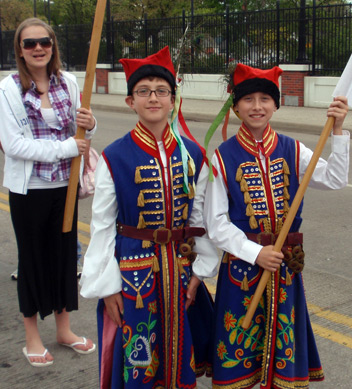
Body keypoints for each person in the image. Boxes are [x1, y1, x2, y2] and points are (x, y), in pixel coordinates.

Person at [203, 63, 350, 388]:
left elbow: (336, 179)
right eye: (249, 99)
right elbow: (215, 224)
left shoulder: (292, 149)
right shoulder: (222, 157)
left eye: (265, 99)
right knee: (240, 350)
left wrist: (338, 131)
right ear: (236, 105)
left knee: (281, 352)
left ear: (275, 104)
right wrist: (255, 253)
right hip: (242, 272)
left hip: (284, 268)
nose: (257, 107)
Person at [80, 46, 218, 388]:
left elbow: (201, 218)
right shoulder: (114, 156)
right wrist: (108, 286)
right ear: (131, 102)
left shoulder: (194, 154)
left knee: (179, 353)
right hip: (134, 275)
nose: (152, 98)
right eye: (143, 91)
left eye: (161, 91)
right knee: (140, 358)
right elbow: (101, 226)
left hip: (182, 271)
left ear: (173, 99)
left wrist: (201, 272)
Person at [0, 17, 97, 367]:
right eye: (30, 44)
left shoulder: (68, 83)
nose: (38, 48)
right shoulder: (8, 90)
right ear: (20, 50)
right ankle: (32, 338)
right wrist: (67, 147)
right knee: (32, 261)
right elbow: (14, 145)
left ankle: (64, 330)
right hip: (30, 192)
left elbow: (83, 129)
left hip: (65, 188)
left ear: (53, 46)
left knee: (63, 259)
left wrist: (91, 124)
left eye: (45, 41)